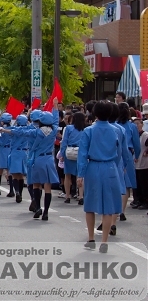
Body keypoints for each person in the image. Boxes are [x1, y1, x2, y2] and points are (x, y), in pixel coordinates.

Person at [77, 101, 128, 253]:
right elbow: (120, 153)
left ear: (95, 114)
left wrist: (80, 174)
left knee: (90, 205)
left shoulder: (89, 131)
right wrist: (116, 165)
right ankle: (104, 241)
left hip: (93, 167)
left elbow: (82, 154)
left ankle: (91, 238)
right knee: (109, 207)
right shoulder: (117, 130)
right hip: (111, 167)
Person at [59, 112, 86, 204]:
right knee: (80, 175)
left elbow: (64, 142)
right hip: (81, 152)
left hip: (70, 152)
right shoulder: (85, 129)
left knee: (67, 175)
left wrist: (62, 154)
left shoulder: (69, 128)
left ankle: (67, 196)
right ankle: (81, 196)